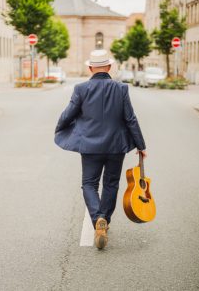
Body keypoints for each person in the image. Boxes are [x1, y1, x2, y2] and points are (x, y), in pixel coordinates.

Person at [54, 49, 146, 249]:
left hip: (90, 146)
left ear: (90, 68)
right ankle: (104, 218)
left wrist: (59, 128)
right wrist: (141, 145)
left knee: (89, 184)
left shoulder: (81, 89)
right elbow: (130, 119)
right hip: (116, 146)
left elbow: (68, 114)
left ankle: (98, 220)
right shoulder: (121, 89)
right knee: (111, 183)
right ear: (110, 67)